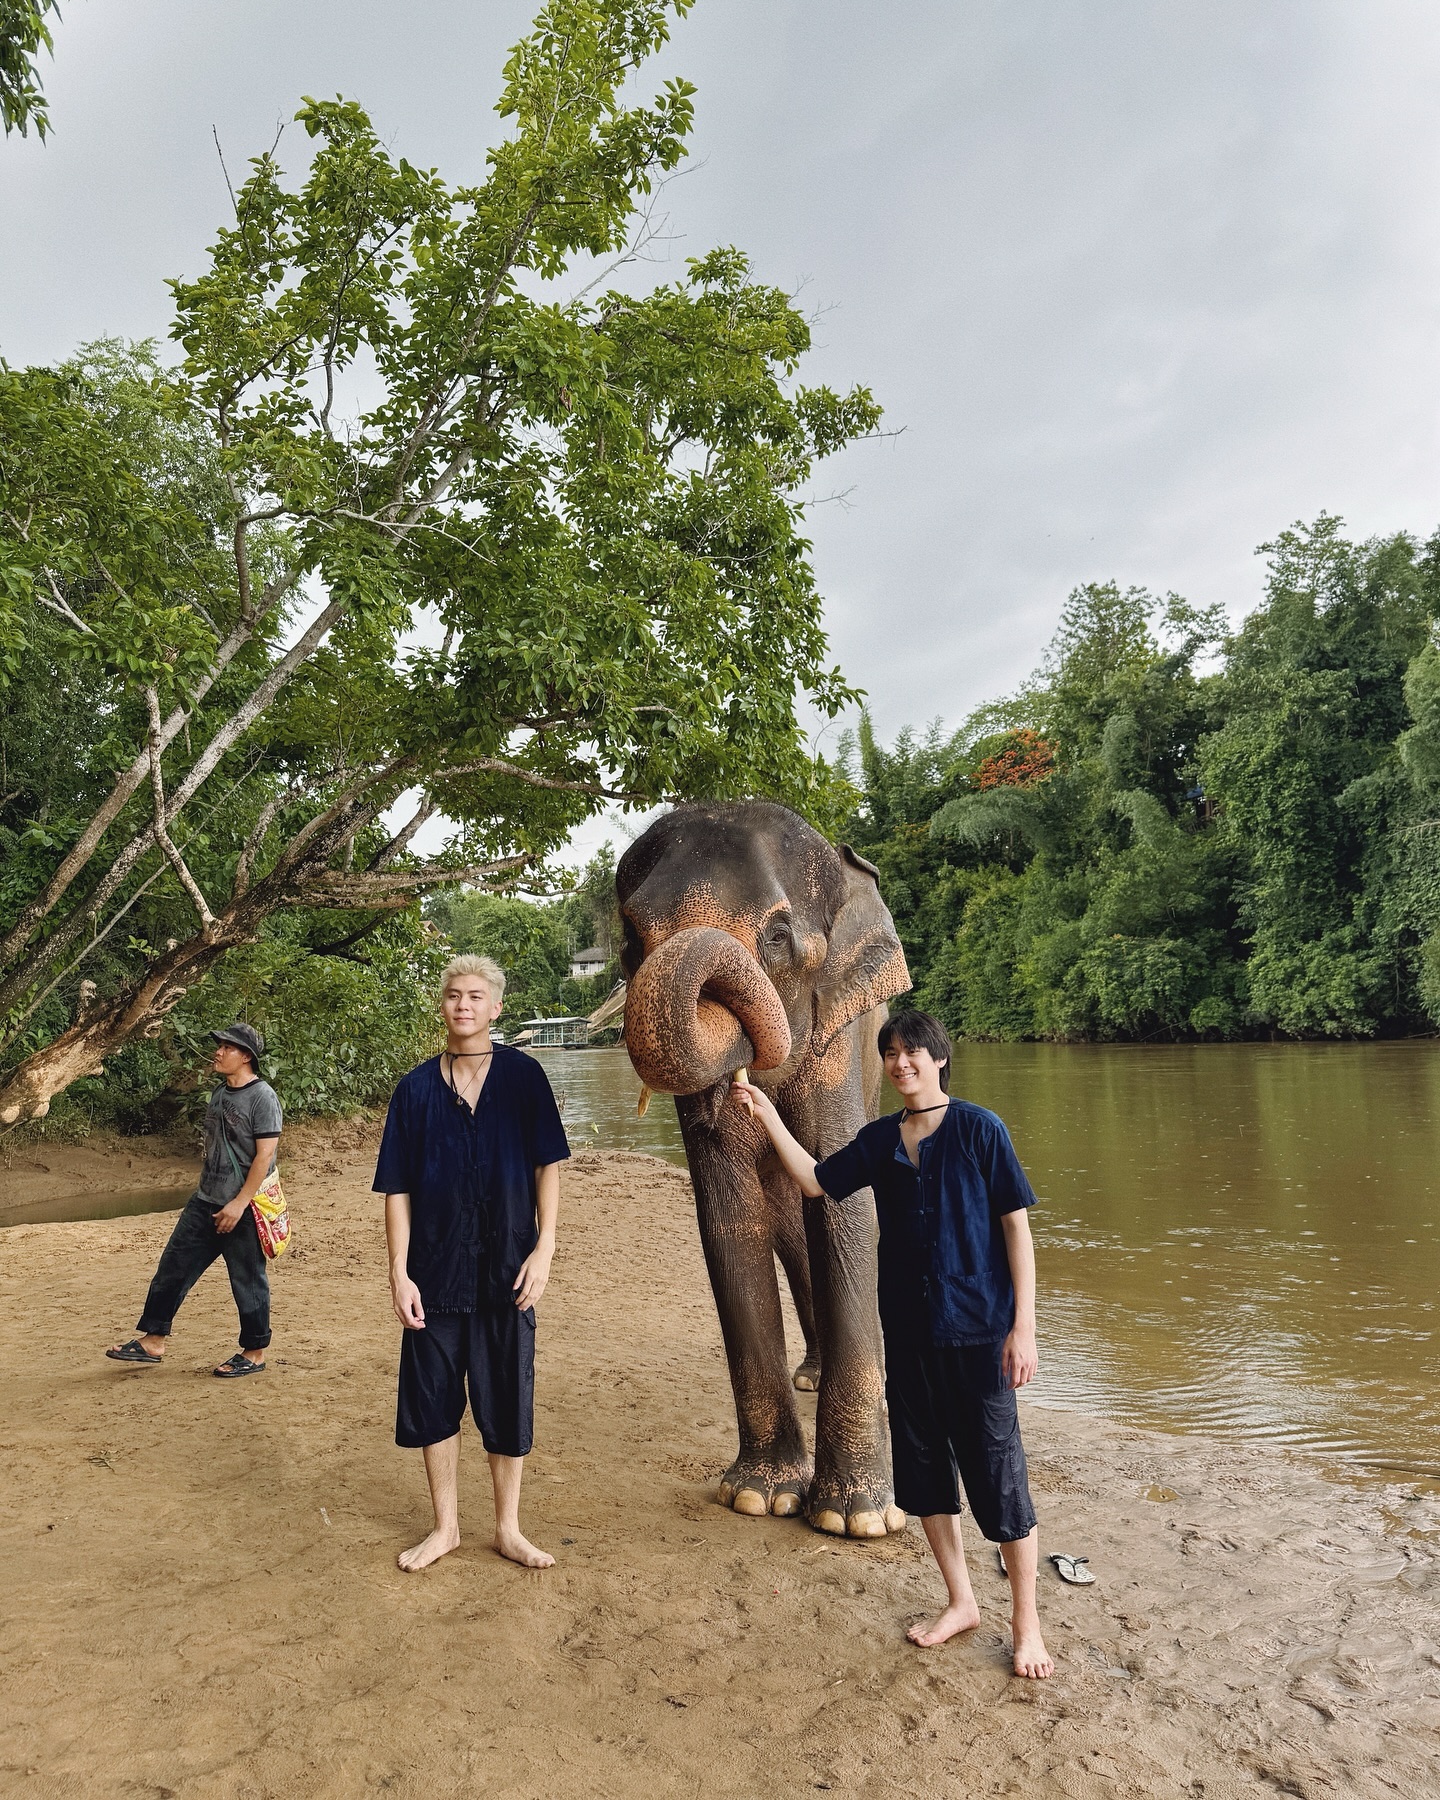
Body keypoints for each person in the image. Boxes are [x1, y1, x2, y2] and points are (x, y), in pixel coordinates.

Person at [733, 1010, 1054, 1680]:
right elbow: (818, 1181)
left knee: (999, 1478)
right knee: (926, 1475)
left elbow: (1016, 1230)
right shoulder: (881, 1140)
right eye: (891, 1054)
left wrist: (1023, 1328)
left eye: (913, 1053)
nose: (901, 1063)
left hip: (979, 1336)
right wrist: (766, 1113)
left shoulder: (979, 1130)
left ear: (939, 1060)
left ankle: (1027, 1623)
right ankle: (961, 1601)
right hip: (908, 1339)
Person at [375, 953, 569, 1573]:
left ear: (496, 1006)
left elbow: (549, 1168)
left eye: (476, 995)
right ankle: (446, 1527)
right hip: (433, 1273)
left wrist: (544, 1248)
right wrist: (399, 1270)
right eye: (455, 994)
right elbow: (397, 1188)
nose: (464, 1005)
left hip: (508, 1268)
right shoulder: (414, 1090)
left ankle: (508, 1528)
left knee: (508, 1394)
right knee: (432, 1398)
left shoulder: (524, 1079)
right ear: (443, 1004)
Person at [106, 1023, 281, 1379]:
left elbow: (264, 1157)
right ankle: (153, 1339)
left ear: (246, 1056)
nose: (217, 1052)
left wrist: (238, 1204)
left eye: (226, 1048)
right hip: (205, 1201)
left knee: (247, 1280)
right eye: (218, 1046)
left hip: (243, 1207)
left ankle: (254, 1352)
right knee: (173, 1267)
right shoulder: (219, 1093)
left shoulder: (263, 1098)